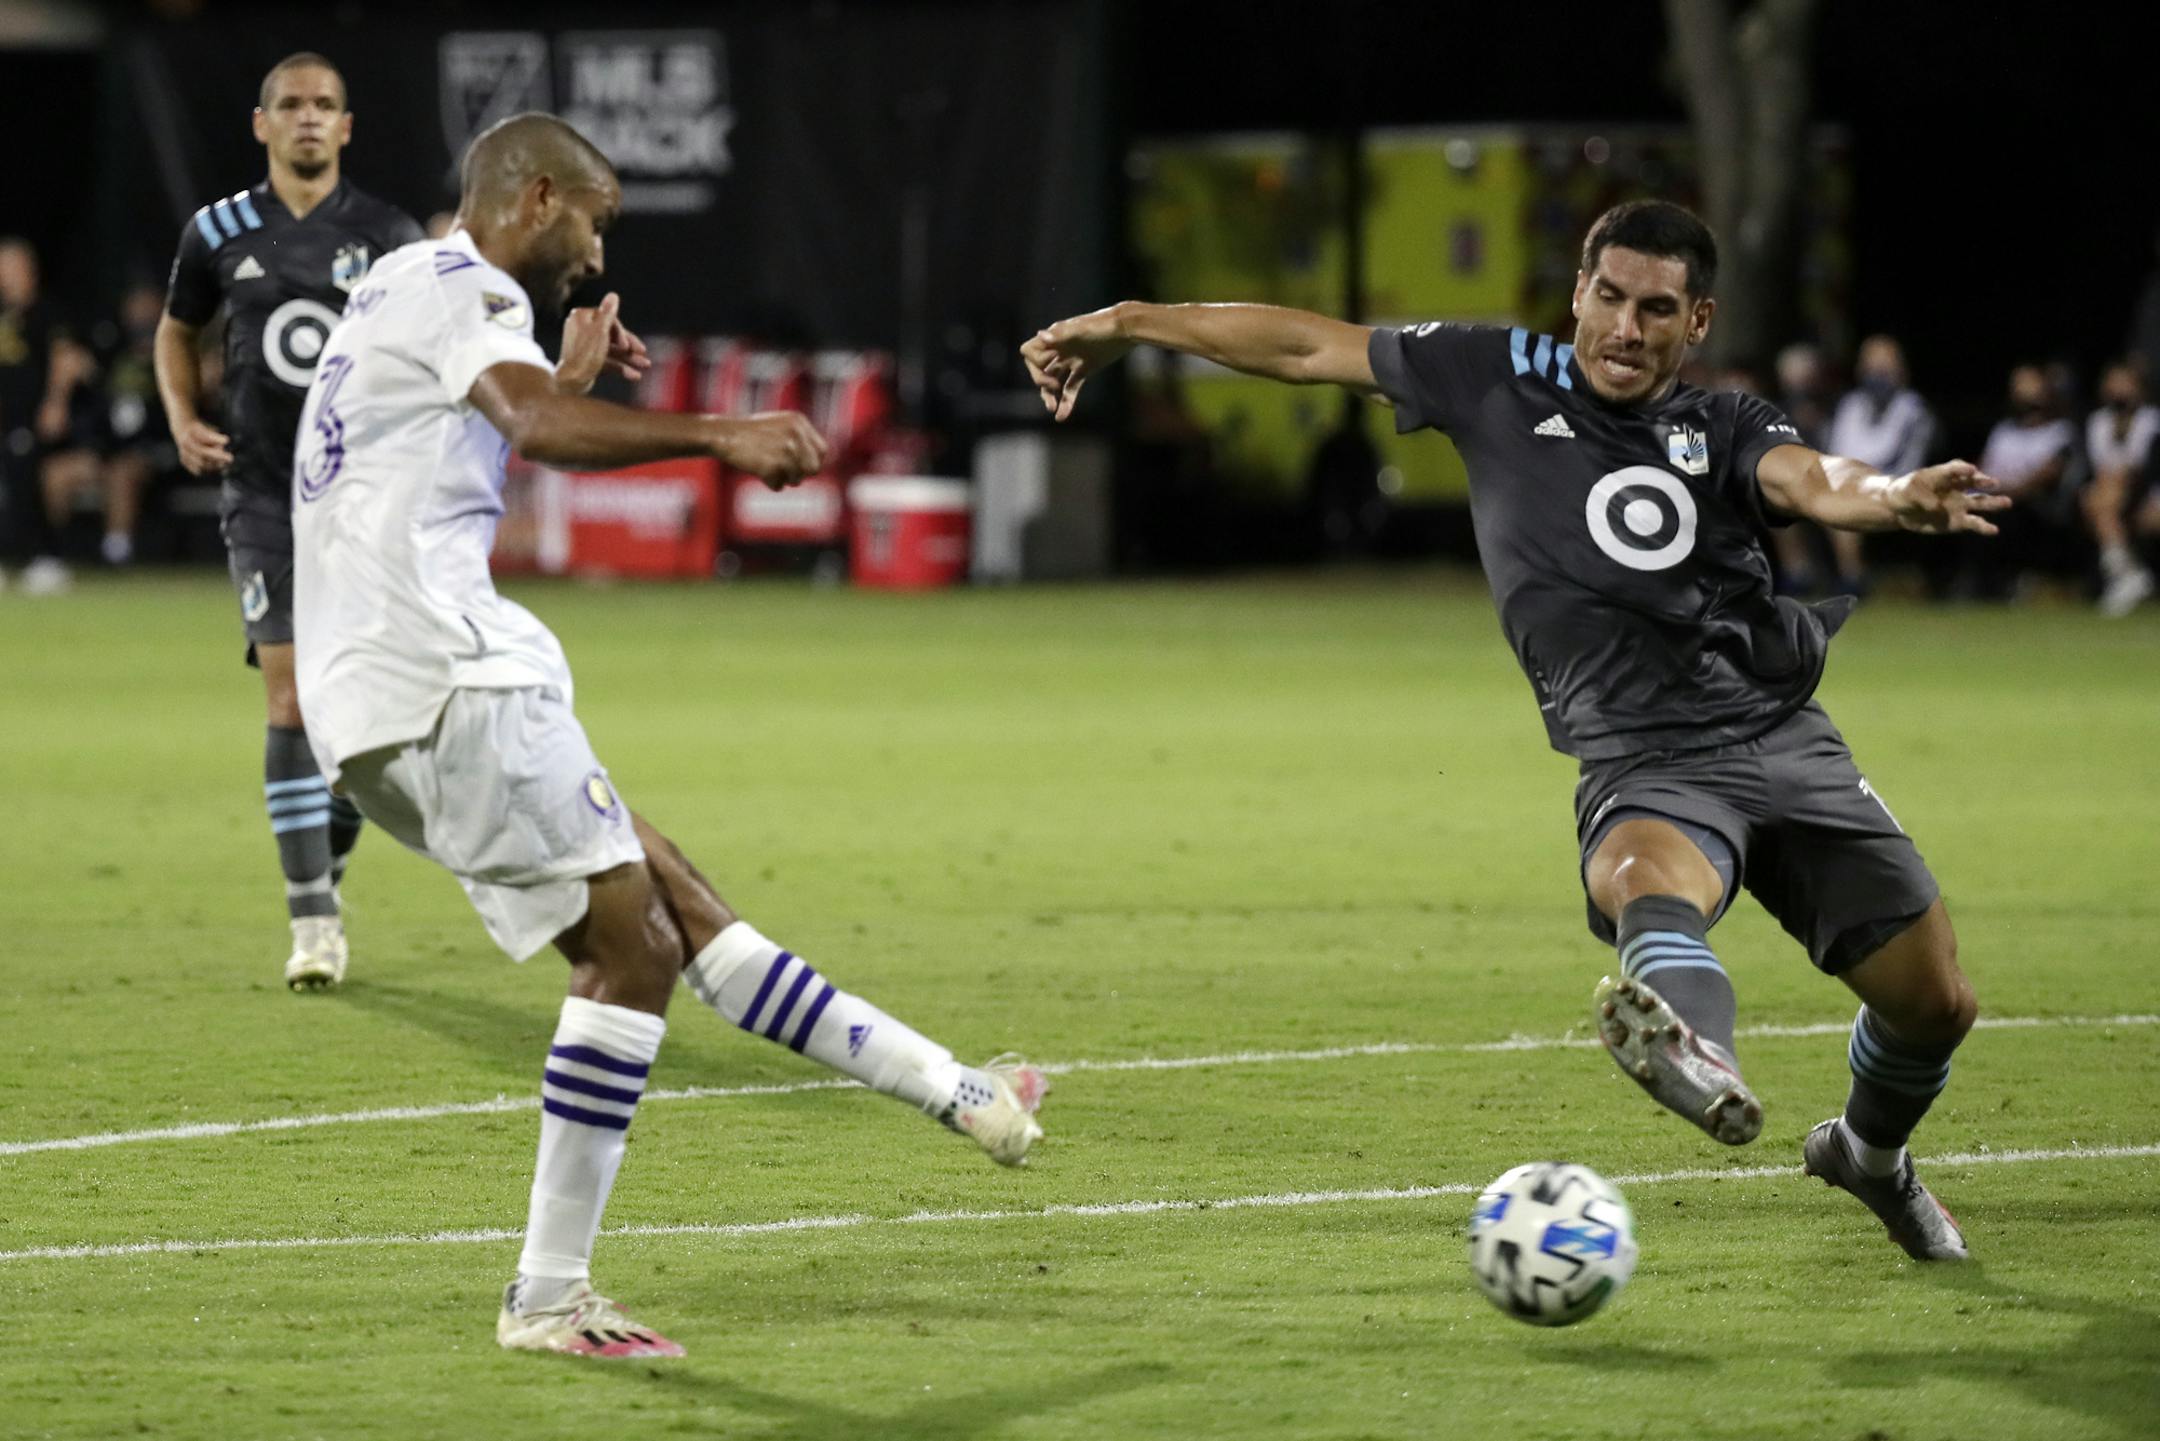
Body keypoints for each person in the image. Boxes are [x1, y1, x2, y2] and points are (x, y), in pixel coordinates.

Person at [1024, 200, 2005, 1262]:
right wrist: (1129, 320)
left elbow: (1819, 481)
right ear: (1579, 291)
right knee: (1638, 874)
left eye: (1658, 309)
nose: (1628, 328)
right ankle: (1699, 1054)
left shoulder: (1725, 427)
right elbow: (1307, 345)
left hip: (1781, 736)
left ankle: (1866, 1156)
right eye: (1612, 297)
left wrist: (1897, 493)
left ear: (1698, 323)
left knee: (1935, 1004)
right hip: (1644, 758)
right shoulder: (1489, 372)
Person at [291, 112, 1048, 1358]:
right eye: (594, 219)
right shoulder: (472, 289)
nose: (595, 252)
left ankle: (953, 1088)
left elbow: (450, 438)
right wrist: (722, 435)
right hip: (446, 676)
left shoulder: (399, 282)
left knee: (676, 902)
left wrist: (567, 382)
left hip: (382, 693)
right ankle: (547, 1297)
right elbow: (530, 429)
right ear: (536, 197)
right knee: (634, 945)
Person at [154, 53, 426, 990]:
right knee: (291, 701)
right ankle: (314, 924)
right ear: (261, 124)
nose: (308, 119)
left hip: (366, 505)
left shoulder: (390, 238)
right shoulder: (218, 229)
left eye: (325, 106)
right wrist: (183, 415)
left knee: (366, 730)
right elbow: (176, 327)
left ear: (347, 128)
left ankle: (323, 865)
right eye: (291, 106)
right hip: (264, 497)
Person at [1824, 335, 1936, 598]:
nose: (1877, 376)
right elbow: (1834, 455)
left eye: (1884, 369)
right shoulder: (1851, 405)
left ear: (1901, 372)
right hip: (1852, 486)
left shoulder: (1914, 411)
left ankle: (1853, 582)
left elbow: (1908, 465)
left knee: (1841, 504)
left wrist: (1861, 478)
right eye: (1871, 369)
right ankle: (1809, 576)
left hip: (1900, 488)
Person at [0, 236, 74, 594]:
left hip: (30, 416)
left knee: (27, 484)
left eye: (9, 265)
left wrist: (55, 403)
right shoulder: (4, 313)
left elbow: (64, 358)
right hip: (5, 417)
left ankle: (46, 558)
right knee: (11, 486)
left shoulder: (46, 311)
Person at [1970, 364, 2076, 600]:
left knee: (2006, 513)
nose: (2023, 391)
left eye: (2029, 384)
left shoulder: (2060, 432)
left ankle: (2010, 582)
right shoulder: (2003, 431)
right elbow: (1983, 468)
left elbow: (2047, 477)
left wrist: (2008, 492)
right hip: (1995, 498)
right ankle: (1972, 582)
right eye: (2017, 385)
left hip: (2035, 508)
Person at [2080, 361, 2159, 616]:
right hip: (2115, 492)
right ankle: (2128, 575)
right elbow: (2102, 466)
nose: (2119, 390)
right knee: (2095, 497)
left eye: (2125, 384)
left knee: (2100, 499)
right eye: (2114, 383)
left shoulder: (2151, 419)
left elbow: (2141, 467)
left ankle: (2125, 572)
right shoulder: (2098, 422)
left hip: (2150, 490)